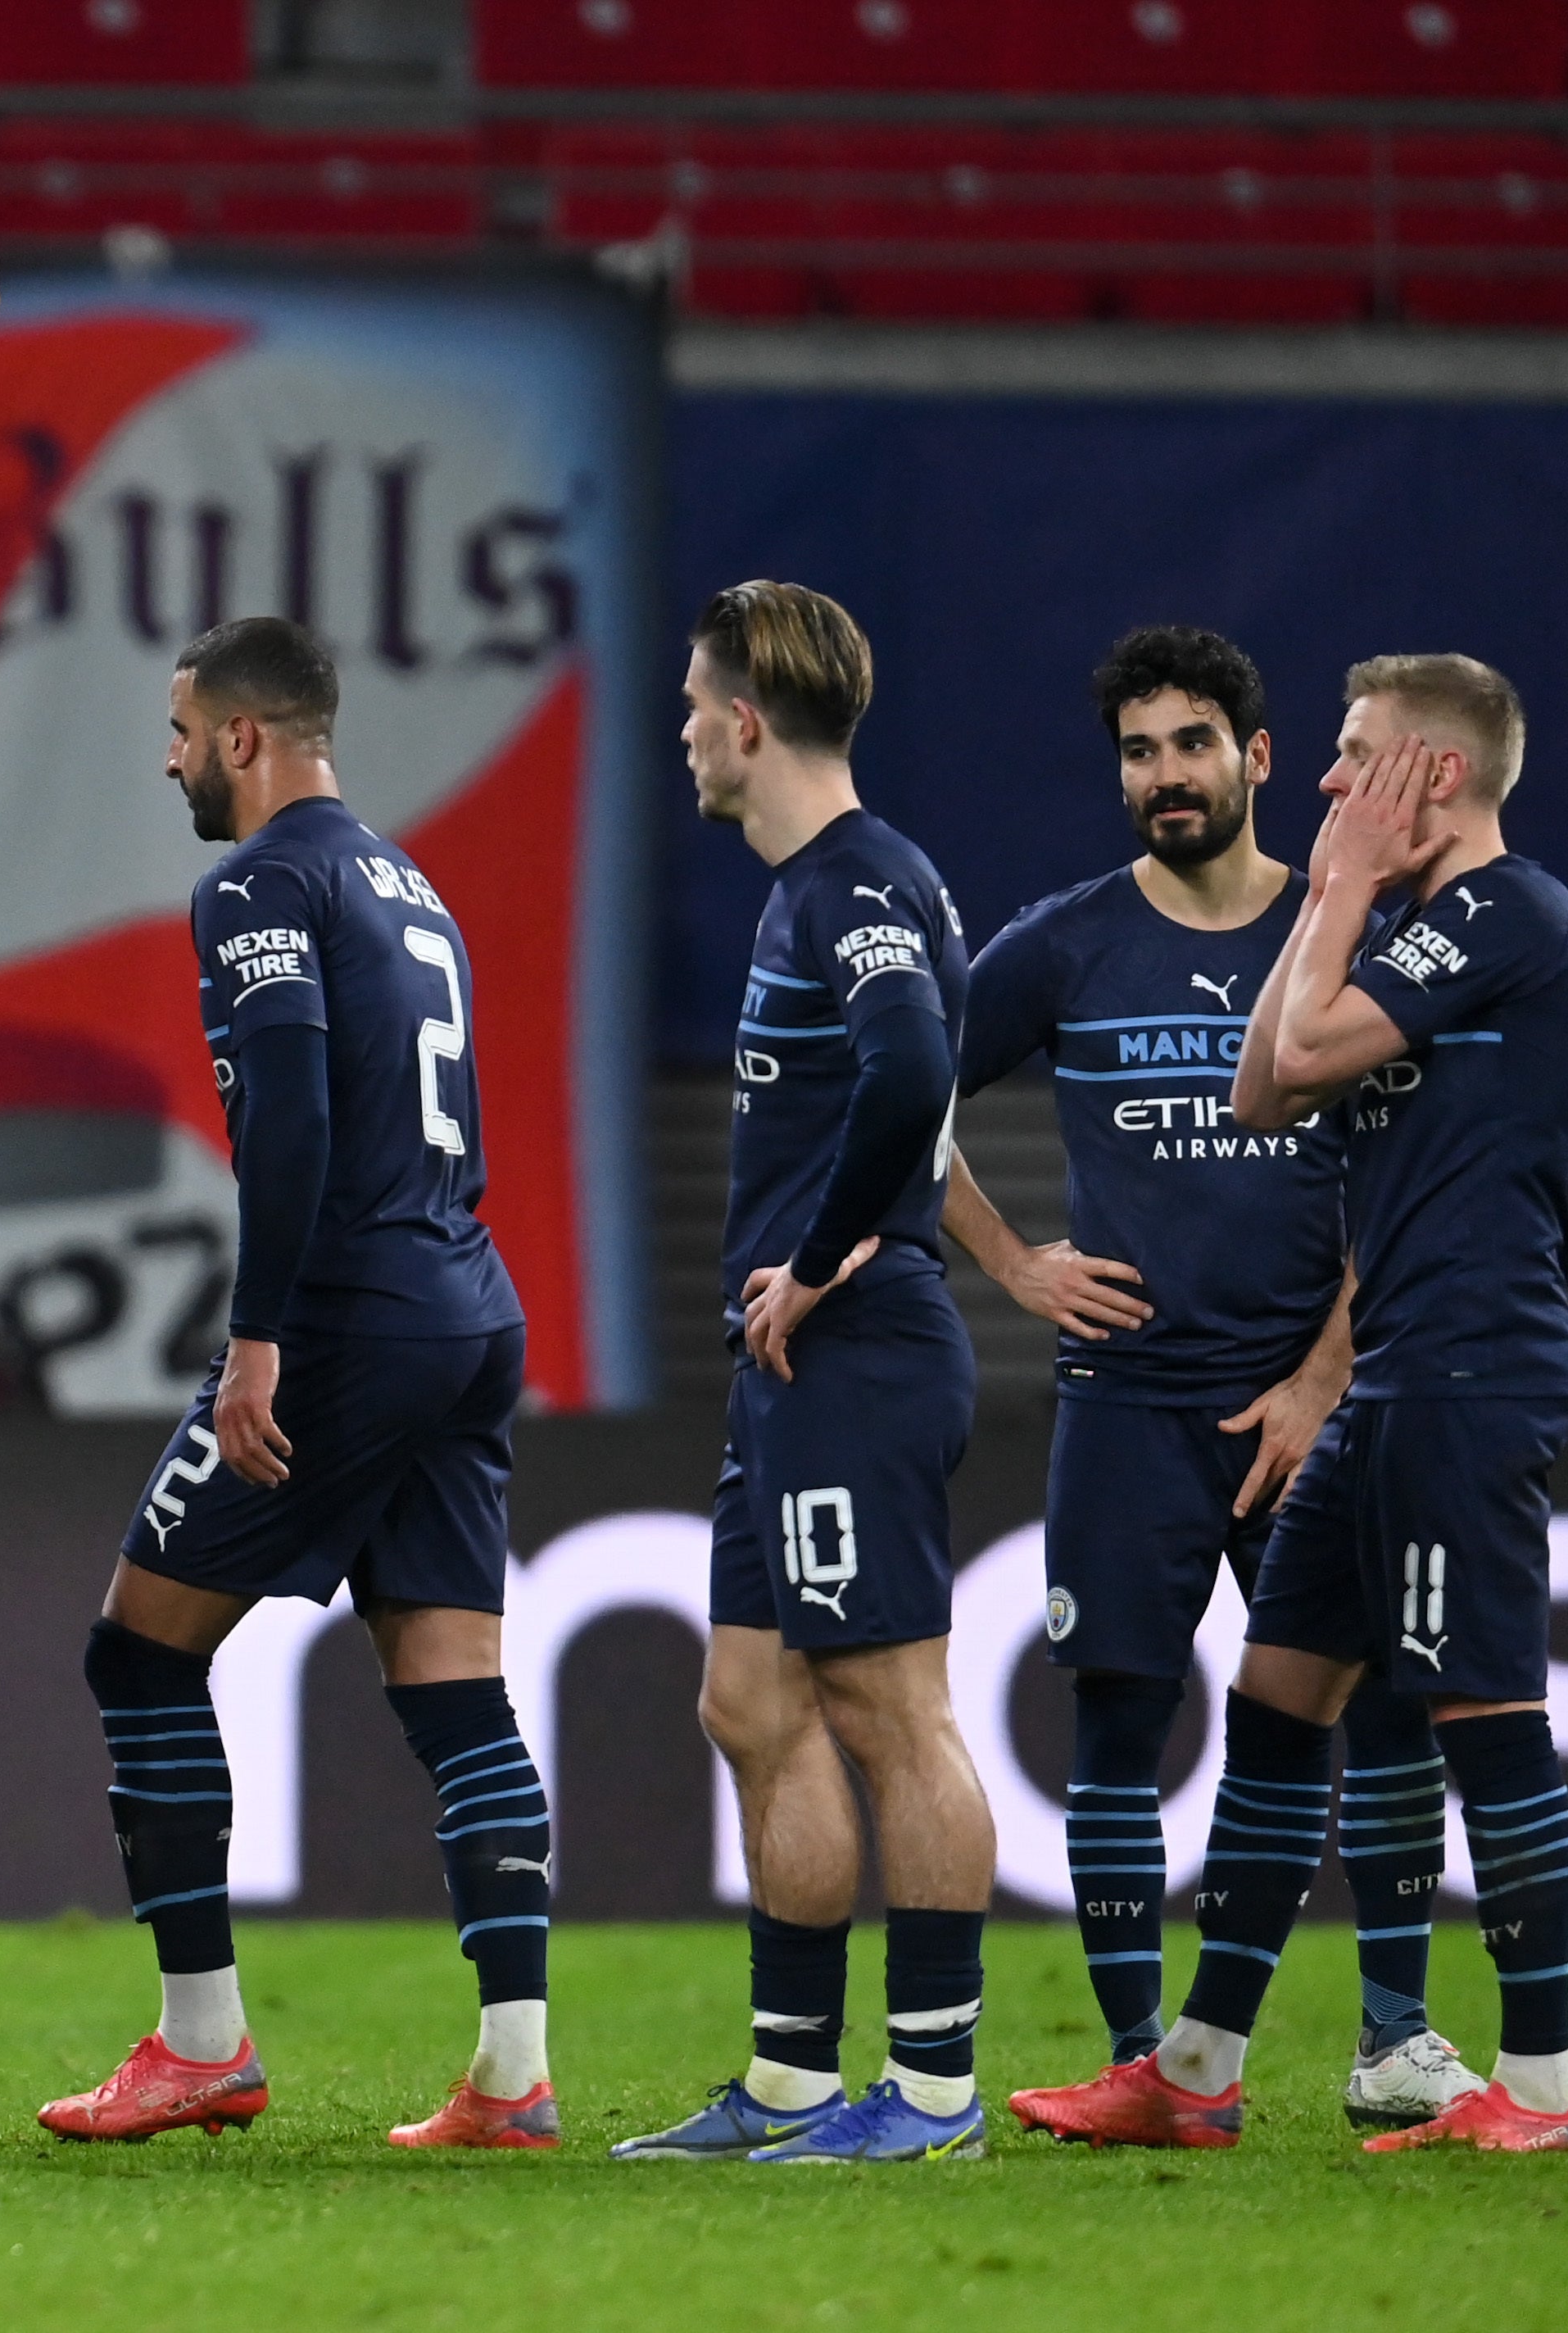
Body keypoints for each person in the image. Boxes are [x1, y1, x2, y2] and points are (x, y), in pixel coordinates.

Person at [1044, 654, 1568, 2154]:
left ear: (1437, 774)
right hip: (1394, 1380)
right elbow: (1255, 1094)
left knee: (1483, 1714)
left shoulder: (1504, 914)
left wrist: (1335, 885)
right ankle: (1197, 2071)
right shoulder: (1409, 926)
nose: (1334, 786)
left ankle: (1537, 2089)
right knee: (1278, 1698)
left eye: (1358, 760)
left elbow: (1293, 1054)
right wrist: (1343, 896)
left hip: (1467, 1372)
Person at [945, 628, 1484, 2141]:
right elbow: (893, 1099)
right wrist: (1013, 1263)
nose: (1162, 775)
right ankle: (1140, 2057)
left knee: (1372, 1710)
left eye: (1191, 745)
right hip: (1123, 1405)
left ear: (1256, 761)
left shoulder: (1344, 945)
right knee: (1116, 1720)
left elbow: (1416, 1175)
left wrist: (1326, 1371)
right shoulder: (1058, 946)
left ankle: (1396, 2037)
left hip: (1308, 1405)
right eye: (1136, 750)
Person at [35, 618, 551, 2153]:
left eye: (184, 727)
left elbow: (292, 1117)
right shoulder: (408, 882)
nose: (172, 754)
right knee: (455, 1687)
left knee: (136, 1654)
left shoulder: (259, 883)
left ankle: (203, 2043)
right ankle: (512, 2079)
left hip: (350, 1314)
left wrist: (259, 1334)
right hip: (469, 1297)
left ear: (247, 738)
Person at [614, 581, 994, 2167]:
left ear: (747, 722)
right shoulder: (813, 890)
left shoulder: (854, 884)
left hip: (852, 1352)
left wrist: (831, 1252)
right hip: (790, 1370)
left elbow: (914, 1071)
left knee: (889, 1707)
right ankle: (787, 2085)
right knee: (749, 1698)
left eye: (696, 704)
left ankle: (934, 2094)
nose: (684, 730)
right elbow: (906, 1090)